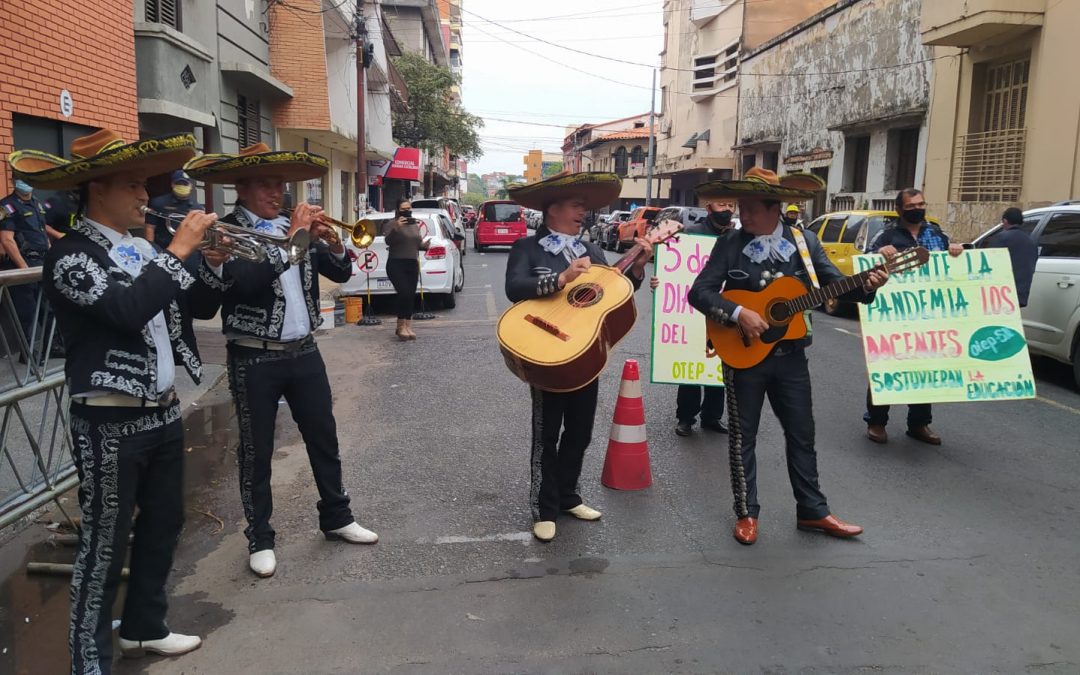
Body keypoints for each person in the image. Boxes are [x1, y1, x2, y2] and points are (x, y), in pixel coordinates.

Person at [9, 128, 227, 673]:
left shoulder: (144, 249)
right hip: (107, 420)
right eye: (132, 185)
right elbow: (127, 312)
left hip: (162, 410)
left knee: (164, 523)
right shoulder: (70, 257)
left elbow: (199, 307)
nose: (145, 196)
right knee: (104, 543)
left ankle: (144, 628)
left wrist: (213, 261)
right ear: (97, 189)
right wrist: (177, 252)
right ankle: (89, 660)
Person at [184, 143, 376, 579]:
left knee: (324, 437)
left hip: (305, 349)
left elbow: (342, 273)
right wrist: (296, 239)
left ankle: (338, 516)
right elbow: (246, 283)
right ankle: (260, 537)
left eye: (280, 184)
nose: (278, 192)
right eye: (266, 184)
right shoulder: (226, 232)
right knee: (257, 450)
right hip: (253, 356)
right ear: (242, 188)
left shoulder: (294, 229)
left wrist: (333, 242)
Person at [688, 168, 889, 546]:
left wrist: (866, 287)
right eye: (741, 207)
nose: (742, 215)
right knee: (742, 437)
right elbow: (700, 292)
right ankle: (747, 512)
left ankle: (813, 510)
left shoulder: (805, 242)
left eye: (750, 208)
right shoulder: (730, 243)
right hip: (744, 356)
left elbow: (834, 285)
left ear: (774, 208)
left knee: (802, 433)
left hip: (791, 356)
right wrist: (738, 313)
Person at [505, 172, 651, 542]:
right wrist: (560, 279)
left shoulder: (593, 252)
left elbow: (613, 293)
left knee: (581, 432)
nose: (582, 213)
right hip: (546, 352)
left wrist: (636, 268)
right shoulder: (527, 248)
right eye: (576, 206)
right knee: (546, 435)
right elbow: (514, 288)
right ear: (551, 209)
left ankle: (568, 496)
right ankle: (544, 507)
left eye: (584, 207)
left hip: (585, 353)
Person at [863, 188, 964, 446]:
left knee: (924, 369)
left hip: (929, 316)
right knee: (886, 366)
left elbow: (951, 266)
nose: (917, 209)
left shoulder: (937, 235)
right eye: (911, 206)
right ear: (899, 210)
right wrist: (878, 253)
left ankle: (919, 423)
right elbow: (864, 266)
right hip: (894, 316)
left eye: (920, 204)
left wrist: (955, 251)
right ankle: (876, 421)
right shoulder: (886, 236)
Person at [650, 201, 732, 437]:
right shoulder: (690, 234)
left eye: (730, 204)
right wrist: (660, 282)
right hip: (690, 312)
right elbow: (672, 269)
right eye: (721, 204)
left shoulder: (736, 238)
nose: (727, 209)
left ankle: (712, 416)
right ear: (709, 207)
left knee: (718, 364)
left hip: (722, 309)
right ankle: (686, 417)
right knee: (691, 364)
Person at [1, 179, 57, 352]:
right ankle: (27, 353)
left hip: (42, 261)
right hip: (25, 263)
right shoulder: (7, 206)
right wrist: (24, 268)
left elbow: (42, 233)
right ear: (13, 181)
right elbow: (7, 240)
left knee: (48, 308)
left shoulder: (37, 203)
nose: (25, 183)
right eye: (20, 179)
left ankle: (52, 348)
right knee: (26, 311)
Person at [385, 198, 429, 340]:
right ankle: (400, 326)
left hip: (412, 263)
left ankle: (408, 325)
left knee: (410, 295)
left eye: (409, 208)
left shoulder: (414, 224)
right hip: (396, 263)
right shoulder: (392, 224)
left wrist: (425, 246)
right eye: (403, 209)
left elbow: (417, 244)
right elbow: (388, 241)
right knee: (403, 292)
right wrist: (396, 228)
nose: (407, 211)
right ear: (397, 210)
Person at [986, 207, 1038, 307]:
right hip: (1022, 292)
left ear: (1005, 221)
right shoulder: (1031, 241)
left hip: (1001, 292)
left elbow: (990, 262)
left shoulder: (1001, 238)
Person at [143, 170, 202, 249]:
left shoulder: (197, 208)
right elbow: (149, 228)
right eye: (179, 183)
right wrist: (151, 249)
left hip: (189, 251)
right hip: (164, 248)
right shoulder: (159, 203)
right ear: (172, 184)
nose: (182, 186)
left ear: (191, 186)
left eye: (185, 184)